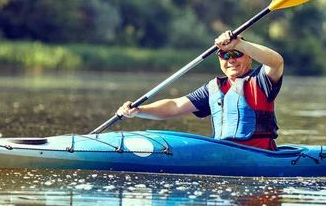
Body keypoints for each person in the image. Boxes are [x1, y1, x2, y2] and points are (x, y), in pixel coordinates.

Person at [116, 30, 284, 151]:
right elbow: (174, 106)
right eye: (225, 55)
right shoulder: (213, 89)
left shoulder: (262, 80)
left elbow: (277, 62)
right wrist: (138, 111)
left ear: (249, 56)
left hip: (260, 155)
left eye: (236, 54)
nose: (231, 60)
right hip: (222, 154)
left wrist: (240, 43)